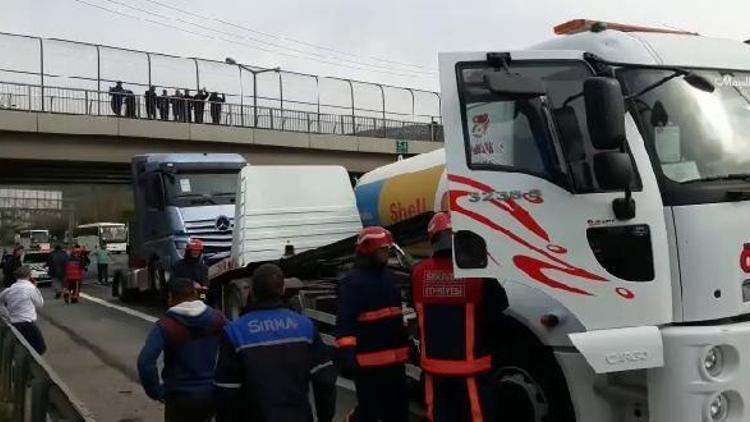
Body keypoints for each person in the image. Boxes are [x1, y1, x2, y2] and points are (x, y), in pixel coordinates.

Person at [411, 212, 509, 421]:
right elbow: (500, 307)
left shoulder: (418, 273)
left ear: (433, 239)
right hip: (471, 370)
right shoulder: (477, 273)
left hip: (433, 370)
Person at [215, 263, 336, 422]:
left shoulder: (235, 332)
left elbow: (226, 391)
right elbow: (324, 381)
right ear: (283, 290)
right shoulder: (305, 327)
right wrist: (325, 418)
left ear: (252, 292)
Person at [335, 227, 410, 422]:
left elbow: (395, 316)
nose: (386, 254)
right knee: (370, 413)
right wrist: (347, 356)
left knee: (398, 413)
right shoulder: (352, 283)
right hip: (369, 366)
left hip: (394, 364)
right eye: (382, 250)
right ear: (368, 250)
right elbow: (346, 324)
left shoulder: (388, 278)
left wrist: (406, 344)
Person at [138, 278, 226, 422]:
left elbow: (145, 362)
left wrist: (156, 392)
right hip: (210, 394)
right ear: (195, 294)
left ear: (171, 298)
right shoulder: (217, 318)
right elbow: (236, 341)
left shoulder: (166, 325)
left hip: (178, 396)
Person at [0, 266, 46, 354]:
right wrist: (36, 288)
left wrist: (6, 314)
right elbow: (40, 304)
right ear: (29, 275)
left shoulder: (9, 290)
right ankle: (25, 364)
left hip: (13, 323)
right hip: (27, 323)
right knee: (40, 347)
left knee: (17, 347)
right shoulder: (31, 288)